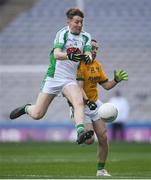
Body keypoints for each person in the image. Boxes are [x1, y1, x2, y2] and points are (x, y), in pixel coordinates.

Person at [9, 8, 94, 144]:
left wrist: (88, 58)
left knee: (78, 102)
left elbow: (88, 53)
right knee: (38, 114)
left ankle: (80, 132)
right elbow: (56, 54)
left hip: (69, 79)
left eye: (81, 22)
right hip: (54, 77)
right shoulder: (62, 33)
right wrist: (69, 55)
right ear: (69, 22)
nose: (79, 25)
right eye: (77, 22)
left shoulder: (86, 36)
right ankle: (26, 108)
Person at [65, 39, 128, 176]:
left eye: (96, 49)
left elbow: (106, 86)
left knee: (104, 138)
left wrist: (116, 80)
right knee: (89, 140)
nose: (94, 51)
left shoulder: (97, 65)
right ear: (85, 49)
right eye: (92, 48)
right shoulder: (79, 65)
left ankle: (101, 170)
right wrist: (87, 101)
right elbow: (79, 88)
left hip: (95, 103)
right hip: (82, 105)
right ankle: (76, 118)